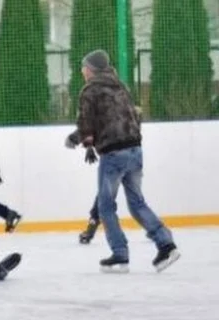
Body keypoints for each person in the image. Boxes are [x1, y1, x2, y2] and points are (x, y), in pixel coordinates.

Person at [68, 49, 179, 273]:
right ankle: (166, 244)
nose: (82, 71)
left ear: (91, 69)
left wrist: (74, 139)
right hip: (134, 149)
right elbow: (134, 117)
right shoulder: (121, 86)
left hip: (113, 153)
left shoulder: (90, 90)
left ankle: (120, 255)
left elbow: (86, 122)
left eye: (84, 67)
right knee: (137, 203)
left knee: (105, 206)